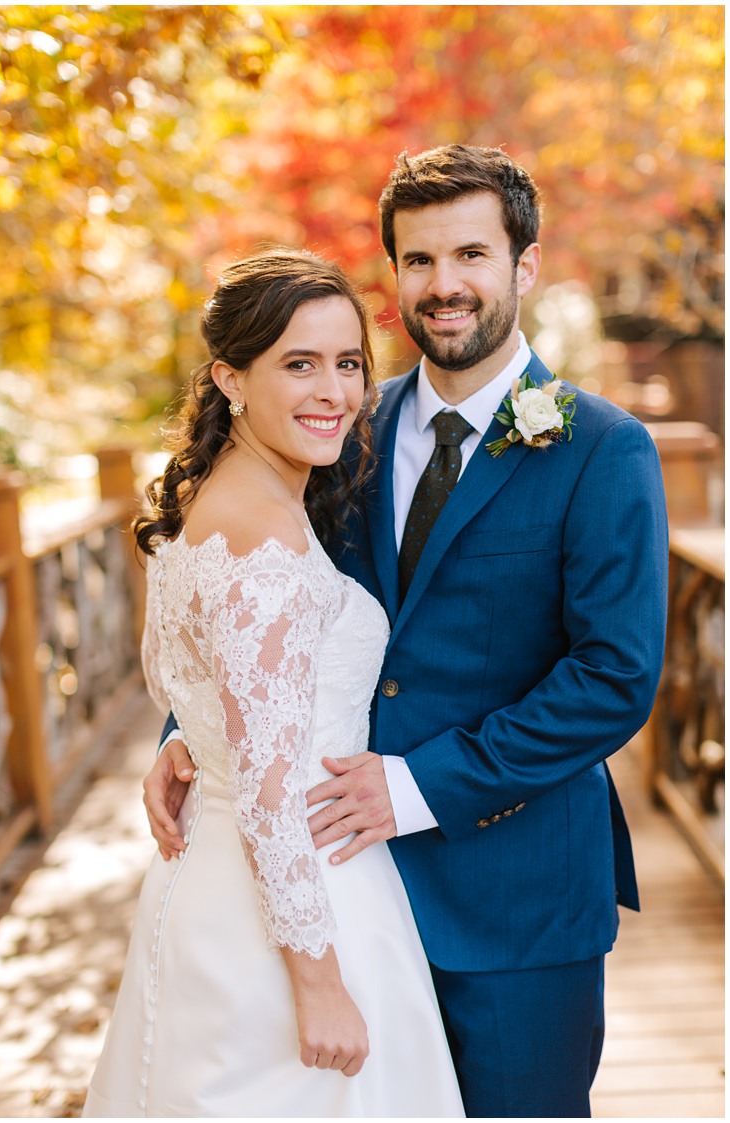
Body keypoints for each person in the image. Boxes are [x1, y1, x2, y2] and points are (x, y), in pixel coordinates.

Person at [144, 146, 669, 1117]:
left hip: (515, 901)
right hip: (336, 894)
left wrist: (416, 784)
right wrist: (192, 735)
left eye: (471, 254)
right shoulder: (342, 426)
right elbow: (263, 606)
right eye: (418, 261)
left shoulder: (604, 449)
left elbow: (613, 677)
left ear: (526, 264)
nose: (445, 285)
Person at [82, 250, 465, 1117]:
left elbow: (228, 703)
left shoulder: (223, 503)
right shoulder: (266, 541)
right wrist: (321, 983)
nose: (333, 390)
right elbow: (268, 789)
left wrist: (188, 740)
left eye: (348, 363)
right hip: (300, 904)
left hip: (209, 885)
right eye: (299, 363)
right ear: (231, 379)